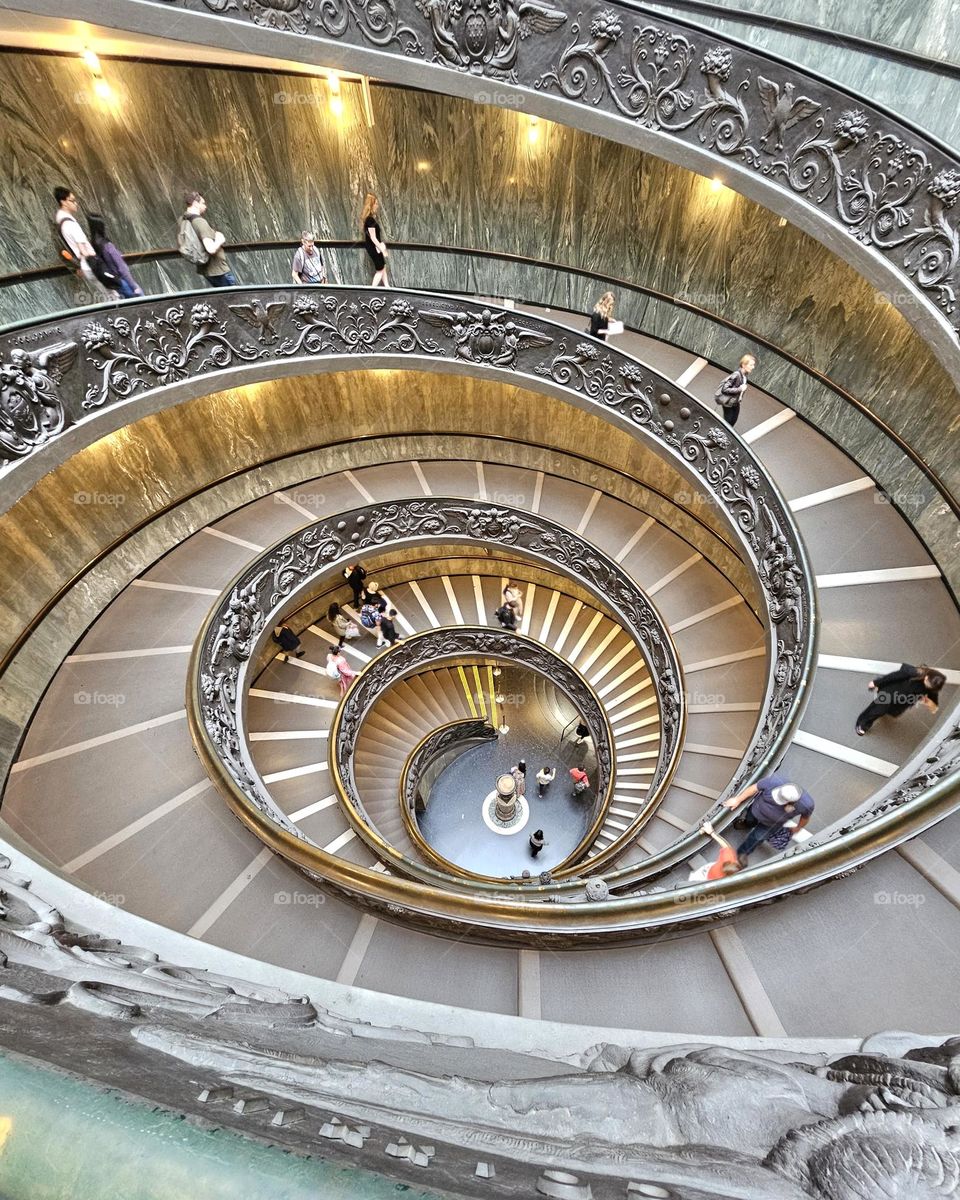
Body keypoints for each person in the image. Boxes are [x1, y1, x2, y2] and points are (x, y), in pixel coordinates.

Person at [722, 775, 814, 861]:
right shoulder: (774, 781)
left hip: (771, 824)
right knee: (750, 820)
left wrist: (798, 827)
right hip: (755, 811)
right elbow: (754, 788)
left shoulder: (806, 805)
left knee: (756, 839)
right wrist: (737, 800)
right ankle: (747, 823)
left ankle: (740, 856)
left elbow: (805, 817)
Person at [53, 186, 118, 301]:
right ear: (63, 202)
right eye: (72, 200)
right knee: (113, 295)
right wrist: (98, 263)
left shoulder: (61, 222)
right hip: (92, 265)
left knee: (107, 295)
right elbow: (83, 249)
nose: (76, 203)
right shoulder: (70, 224)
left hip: (86, 265)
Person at [856, 663, 946, 735]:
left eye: (930, 687)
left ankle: (878, 714)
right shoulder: (914, 672)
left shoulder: (933, 688)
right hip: (890, 694)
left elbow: (934, 707)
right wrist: (876, 682)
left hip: (902, 702)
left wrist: (928, 702)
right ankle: (863, 723)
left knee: (884, 711)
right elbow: (894, 676)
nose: (928, 687)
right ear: (926, 677)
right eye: (928, 684)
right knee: (876, 710)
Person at [180, 191, 236, 287]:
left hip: (206, 270)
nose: (205, 206)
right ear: (196, 204)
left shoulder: (185, 220)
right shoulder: (200, 222)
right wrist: (220, 239)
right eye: (203, 203)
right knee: (235, 299)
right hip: (218, 270)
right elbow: (211, 249)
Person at [87, 213, 143, 299]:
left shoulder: (94, 245)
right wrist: (134, 287)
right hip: (124, 282)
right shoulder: (108, 246)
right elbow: (122, 269)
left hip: (115, 284)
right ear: (101, 226)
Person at [714, 353, 756, 428]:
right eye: (751, 365)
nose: (753, 367)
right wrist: (740, 389)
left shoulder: (744, 375)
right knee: (727, 423)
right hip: (728, 403)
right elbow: (725, 389)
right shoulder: (736, 375)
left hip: (735, 403)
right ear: (743, 365)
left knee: (732, 421)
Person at [361, 192, 388, 287]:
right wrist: (381, 249)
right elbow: (373, 238)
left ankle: (387, 287)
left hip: (376, 247)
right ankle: (372, 290)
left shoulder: (371, 219)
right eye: (376, 204)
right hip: (374, 248)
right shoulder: (370, 220)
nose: (377, 206)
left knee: (383, 266)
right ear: (371, 206)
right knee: (380, 270)